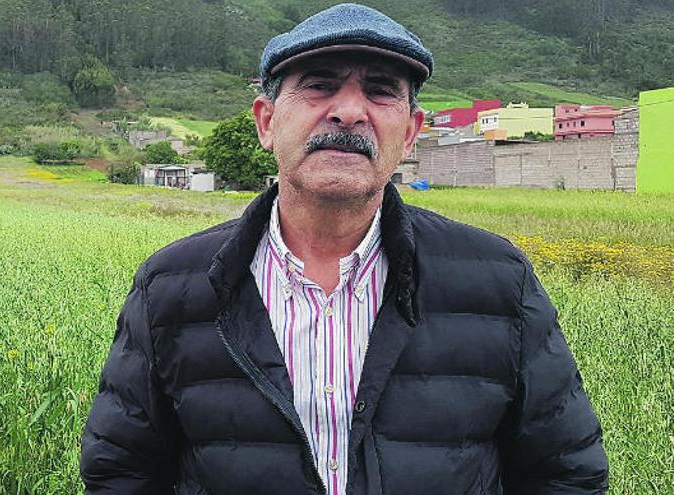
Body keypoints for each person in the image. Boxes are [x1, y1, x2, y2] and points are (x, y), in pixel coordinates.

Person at [80, 3, 609, 494]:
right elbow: (122, 470)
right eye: (319, 86)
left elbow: (565, 472)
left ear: (410, 133)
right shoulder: (172, 286)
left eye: (381, 91)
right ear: (267, 122)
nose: (350, 111)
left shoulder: (498, 281)